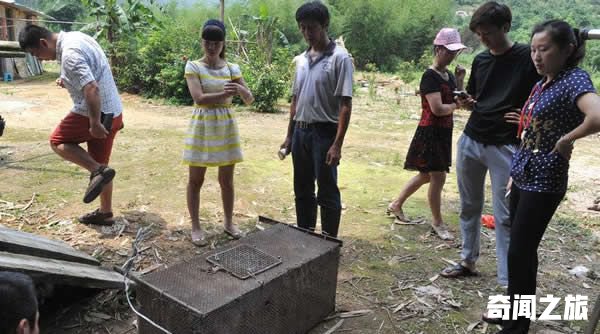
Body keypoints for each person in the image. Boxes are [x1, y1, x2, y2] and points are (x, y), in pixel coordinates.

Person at [497, 19, 600, 334]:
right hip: (525, 174)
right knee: (522, 252)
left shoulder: (574, 79)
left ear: (567, 49)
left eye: (545, 49)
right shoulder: (544, 82)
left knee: (519, 251)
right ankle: (516, 315)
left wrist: (568, 139)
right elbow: (534, 130)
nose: (537, 57)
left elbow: (597, 116)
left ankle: (516, 326)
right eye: (533, 50)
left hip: (545, 181)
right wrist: (516, 171)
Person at [439, 1, 541, 286]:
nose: (482, 39)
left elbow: (543, 93)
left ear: (505, 28)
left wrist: (527, 115)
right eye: (479, 33)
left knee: (504, 216)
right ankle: (467, 260)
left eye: (487, 33)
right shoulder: (481, 61)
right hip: (472, 138)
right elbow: (476, 99)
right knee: (469, 205)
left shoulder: (526, 57)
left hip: (506, 145)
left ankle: (508, 283)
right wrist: (468, 102)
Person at [19, 25, 124, 226]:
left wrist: (93, 123)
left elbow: (92, 88)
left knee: (57, 141)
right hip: (113, 113)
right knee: (102, 162)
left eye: (36, 54)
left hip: (94, 113)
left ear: (43, 43)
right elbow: (93, 71)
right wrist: (67, 80)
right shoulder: (77, 37)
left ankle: (97, 171)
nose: (39, 59)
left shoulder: (69, 54)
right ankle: (105, 212)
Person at [280, 1, 353, 238]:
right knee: (302, 189)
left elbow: (345, 105)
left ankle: (328, 242)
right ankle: (305, 237)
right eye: (302, 28)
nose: (306, 33)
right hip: (301, 132)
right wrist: (289, 136)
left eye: (311, 27)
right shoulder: (300, 60)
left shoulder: (340, 58)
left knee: (327, 190)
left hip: (325, 133)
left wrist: (337, 144)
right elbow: (295, 100)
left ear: (325, 25)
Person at [387, 28, 466, 241]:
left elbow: (458, 97)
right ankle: (438, 223)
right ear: (438, 49)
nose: (452, 56)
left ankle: (396, 205)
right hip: (430, 132)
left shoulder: (448, 74)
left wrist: (459, 80)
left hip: (443, 132)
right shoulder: (429, 76)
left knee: (426, 175)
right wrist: (456, 106)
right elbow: (438, 109)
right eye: (449, 51)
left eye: (455, 52)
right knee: (437, 177)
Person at [183, 19, 254, 247]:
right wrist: (225, 96)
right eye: (208, 42)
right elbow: (199, 98)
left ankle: (229, 222)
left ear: (223, 44)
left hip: (226, 126)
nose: (212, 47)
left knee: (227, 180)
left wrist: (241, 89)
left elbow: (250, 99)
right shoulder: (193, 66)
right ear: (202, 42)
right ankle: (195, 226)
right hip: (203, 125)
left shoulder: (232, 68)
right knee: (196, 180)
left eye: (217, 43)